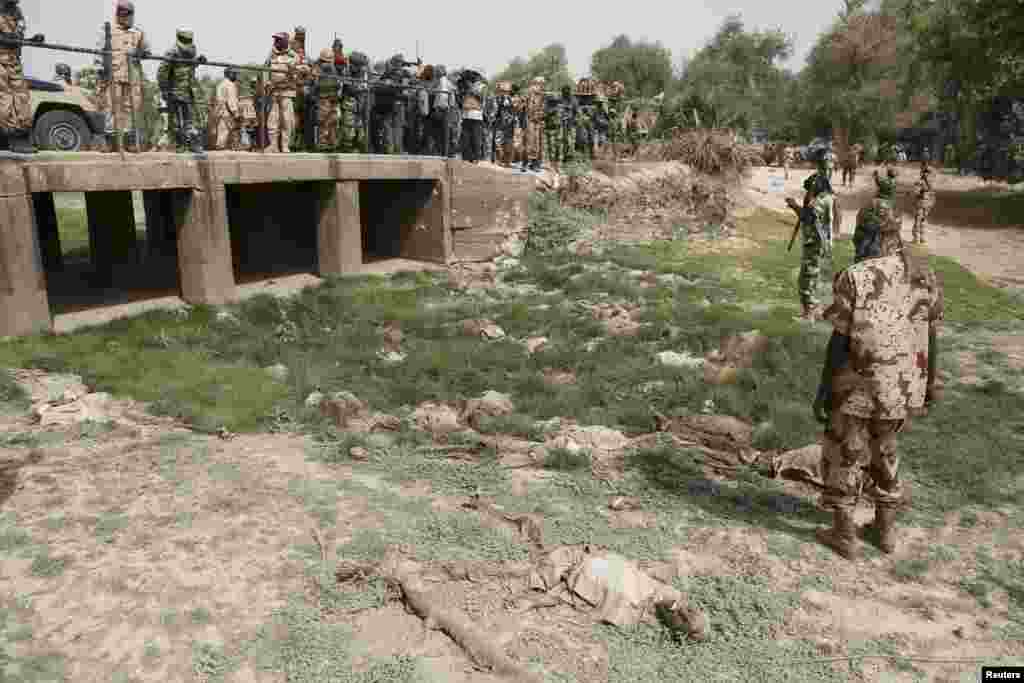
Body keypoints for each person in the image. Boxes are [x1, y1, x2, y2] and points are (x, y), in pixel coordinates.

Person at [813, 178, 944, 560]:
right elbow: (930, 334)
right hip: (902, 386)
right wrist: (929, 385)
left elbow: (839, 341)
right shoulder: (923, 273)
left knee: (846, 451)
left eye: (860, 235)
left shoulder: (855, 276)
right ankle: (885, 532)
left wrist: (825, 388)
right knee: (885, 450)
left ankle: (844, 534)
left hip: (857, 385)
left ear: (868, 234)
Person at [93, 0, 148, 152]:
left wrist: (139, 52)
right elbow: (99, 52)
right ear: (117, 14)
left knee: (131, 108)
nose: (124, 17)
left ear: (131, 15)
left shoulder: (138, 32)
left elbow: (146, 51)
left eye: (127, 15)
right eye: (121, 14)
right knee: (111, 107)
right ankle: (110, 141)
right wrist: (100, 71)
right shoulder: (108, 30)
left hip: (133, 77)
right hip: (114, 75)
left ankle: (130, 141)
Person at [786, 170, 834, 321]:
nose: (808, 192)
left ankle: (809, 312)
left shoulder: (820, 201)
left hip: (815, 243)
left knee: (806, 278)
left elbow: (808, 217)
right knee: (812, 276)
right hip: (818, 243)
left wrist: (794, 206)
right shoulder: (827, 198)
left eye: (810, 189)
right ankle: (814, 307)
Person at [156, 29, 204, 153]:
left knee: (190, 120)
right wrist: (164, 89)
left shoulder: (192, 51)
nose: (187, 42)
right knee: (176, 120)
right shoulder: (172, 52)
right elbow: (162, 72)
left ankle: (192, 144)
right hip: (174, 91)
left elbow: (188, 68)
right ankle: (179, 145)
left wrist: (198, 62)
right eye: (185, 39)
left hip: (189, 90)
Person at [265, 32, 306, 153]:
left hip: (287, 92)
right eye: (275, 40)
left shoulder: (294, 56)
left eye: (278, 40)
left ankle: (285, 145)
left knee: (287, 120)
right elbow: (265, 70)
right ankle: (273, 145)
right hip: (274, 92)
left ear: (285, 42)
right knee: (272, 120)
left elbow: (303, 71)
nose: (275, 42)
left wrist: (295, 71)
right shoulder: (271, 55)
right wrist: (266, 83)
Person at [314, 47, 341, 152]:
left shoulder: (333, 69)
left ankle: (332, 142)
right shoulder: (317, 68)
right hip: (323, 99)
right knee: (323, 121)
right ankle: (322, 143)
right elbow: (315, 83)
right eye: (326, 61)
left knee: (333, 121)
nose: (328, 63)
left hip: (332, 99)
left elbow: (337, 83)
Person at [212, 66, 242, 151]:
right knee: (228, 131)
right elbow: (231, 101)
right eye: (234, 74)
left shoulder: (220, 84)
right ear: (229, 74)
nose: (236, 76)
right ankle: (222, 148)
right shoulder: (230, 85)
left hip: (221, 111)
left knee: (222, 130)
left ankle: (220, 147)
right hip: (227, 112)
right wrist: (236, 113)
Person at [458, 68, 485, 163]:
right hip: (466, 115)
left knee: (476, 138)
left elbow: (482, 97)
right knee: (465, 138)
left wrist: (471, 89)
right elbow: (460, 99)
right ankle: (466, 157)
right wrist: (464, 91)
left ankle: (475, 157)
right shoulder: (464, 86)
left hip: (476, 116)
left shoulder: (481, 86)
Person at [912, 163, 935, 244]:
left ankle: (920, 237)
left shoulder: (926, 182)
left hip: (924, 204)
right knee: (920, 220)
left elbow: (916, 192)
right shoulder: (923, 182)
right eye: (926, 172)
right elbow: (916, 192)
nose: (927, 174)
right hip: (923, 203)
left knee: (921, 220)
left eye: (927, 173)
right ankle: (918, 237)